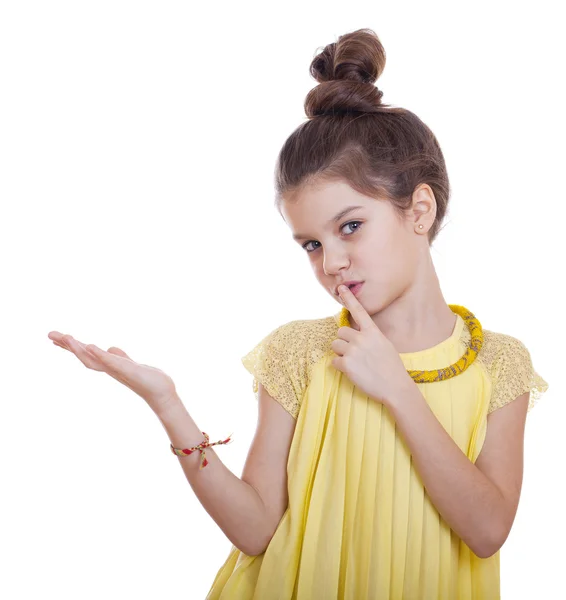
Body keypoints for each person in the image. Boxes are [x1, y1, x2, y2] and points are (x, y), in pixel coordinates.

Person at [49, 28, 549, 600]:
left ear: (420, 208)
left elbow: (487, 531)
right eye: (310, 244)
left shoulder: (497, 363)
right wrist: (168, 404)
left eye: (350, 227)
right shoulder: (299, 352)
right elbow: (257, 529)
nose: (331, 262)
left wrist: (397, 389)